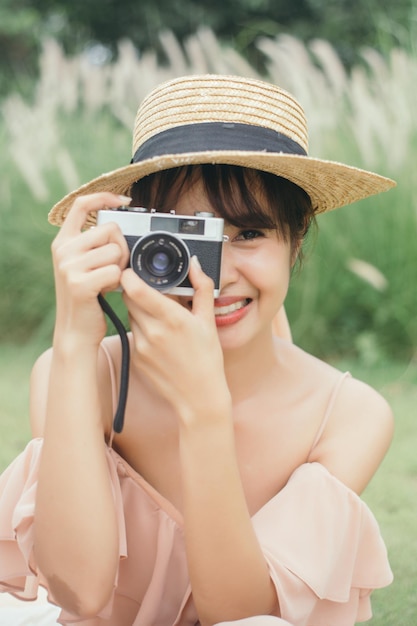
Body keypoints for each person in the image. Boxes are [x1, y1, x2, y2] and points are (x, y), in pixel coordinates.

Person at [0, 74, 396, 626]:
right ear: (136, 238)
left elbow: (241, 616)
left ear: (297, 237)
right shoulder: (86, 375)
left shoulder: (348, 415)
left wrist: (203, 406)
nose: (216, 275)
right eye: (191, 237)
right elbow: (79, 594)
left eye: (249, 234)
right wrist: (72, 339)